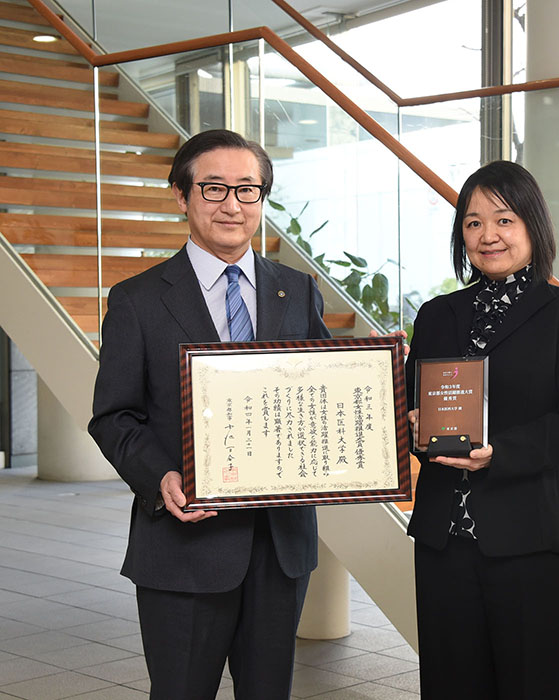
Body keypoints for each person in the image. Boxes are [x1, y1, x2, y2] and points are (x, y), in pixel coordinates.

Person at [88, 129, 330, 700]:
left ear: (262, 198)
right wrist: (160, 477)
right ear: (182, 195)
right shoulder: (137, 300)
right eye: (214, 188)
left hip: (280, 548)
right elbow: (114, 416)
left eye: (248, 189)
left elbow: (321, 390)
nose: (232, 205)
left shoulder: (297, 290)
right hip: (184, 549)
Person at [405, 161, 559, 699]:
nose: (488, 235)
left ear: (532, 226)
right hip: (446, 542)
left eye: (504, 220)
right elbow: (417, 407)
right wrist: (416, 428)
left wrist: (501, 452)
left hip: (537, 539)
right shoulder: (436, 315)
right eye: (473, 223)